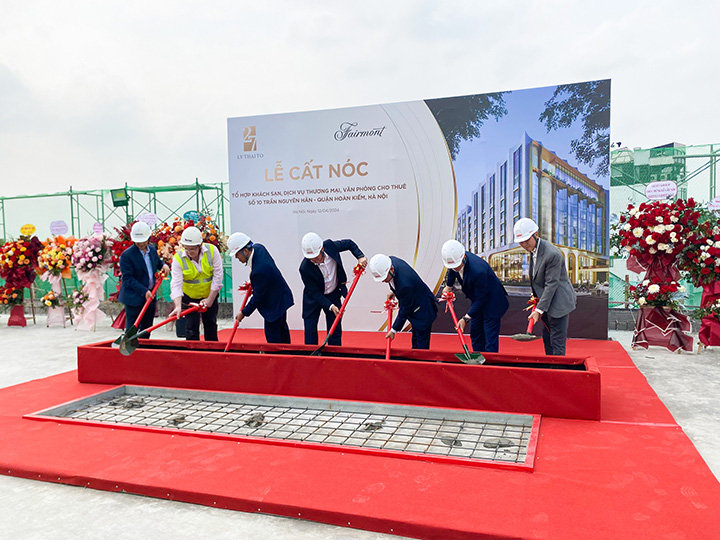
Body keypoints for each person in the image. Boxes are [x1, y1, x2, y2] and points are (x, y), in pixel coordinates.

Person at [514, 217, 577, 355]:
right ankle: (550, 369)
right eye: (521, 241)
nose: (524, 244)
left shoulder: (552, 254)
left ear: (536, 234)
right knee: (547, 339)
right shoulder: (534, 250)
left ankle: (558, 372)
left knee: (557, 343)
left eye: (526, 240)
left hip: (559, 302)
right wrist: (537, 299)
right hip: (546, 302)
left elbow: (551, 284)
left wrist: (539, 310)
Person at [299, 232, 367, 346]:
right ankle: (312, 356)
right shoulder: (304, 267)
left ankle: (334, 355)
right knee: (310, 329)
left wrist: (360, 257)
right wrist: (330, 306)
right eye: (310, 258)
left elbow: (349, 243)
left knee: (335, 327)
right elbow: (315, 292)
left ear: (321, 249)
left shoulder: (330, 246)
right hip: (314, 299)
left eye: (316, 257)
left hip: (333, 293)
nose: (314, 261)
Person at [441, 239, 508, 353]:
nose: (455, 268)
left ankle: (490, 365)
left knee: (489, 337)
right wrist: (449, 285)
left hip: (492, 301)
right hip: (477, 298)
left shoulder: (478, 270)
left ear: (463, 257)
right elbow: (452, 270)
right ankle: (478, 359)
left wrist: (465, 318)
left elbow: (482, 298)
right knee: (475, 333)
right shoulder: (454, 258)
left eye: (457, 265)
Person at [228, 232, 294, 344]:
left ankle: (277, 358)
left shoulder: (259, 272)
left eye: (237, 254)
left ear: (245, 251)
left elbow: (258, 297)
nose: (236, 257)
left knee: (274, 337)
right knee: (282, 329)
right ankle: (286, 355)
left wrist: (243, 313)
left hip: (274, 305)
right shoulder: (259, 248)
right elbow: (259, 275)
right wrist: (254, 281)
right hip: (281, 296)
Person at [368, 253, 438, 349]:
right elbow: (395, 282)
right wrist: (393, 291)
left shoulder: (405, 284)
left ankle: (422, 362)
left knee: (421, 343)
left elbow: (404, 309)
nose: (383, 281)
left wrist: (393, 330)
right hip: (414, 304)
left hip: (422, 310)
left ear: (391, 269)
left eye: (384, 278)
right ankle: (415, 358)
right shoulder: (389, 261)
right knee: (415, 339)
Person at [169, 226, 223, 341]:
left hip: (210, 295)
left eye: (192, 249)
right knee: (191, 329)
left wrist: (209, 300)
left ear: (200, 245)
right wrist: (178, 305)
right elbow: (176, 284)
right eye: (186, 248)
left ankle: (212, 354)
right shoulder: (178, 259)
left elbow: (218, 278)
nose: (189, 252)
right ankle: (192, 355)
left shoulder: (212, 251)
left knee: (211, 326)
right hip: (190, 298)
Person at [118, 222, 170, 335]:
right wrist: (144, 291)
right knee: (132, 328)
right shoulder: (127, 255)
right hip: (134, 297)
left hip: (150, 295)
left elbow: (157, 263)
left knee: (147, 328)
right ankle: (131, 350)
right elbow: (128, 278)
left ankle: (144, 348)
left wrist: (163, 265)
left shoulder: (152, 250)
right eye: (138, 241)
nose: (141, 244)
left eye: (143, 241)